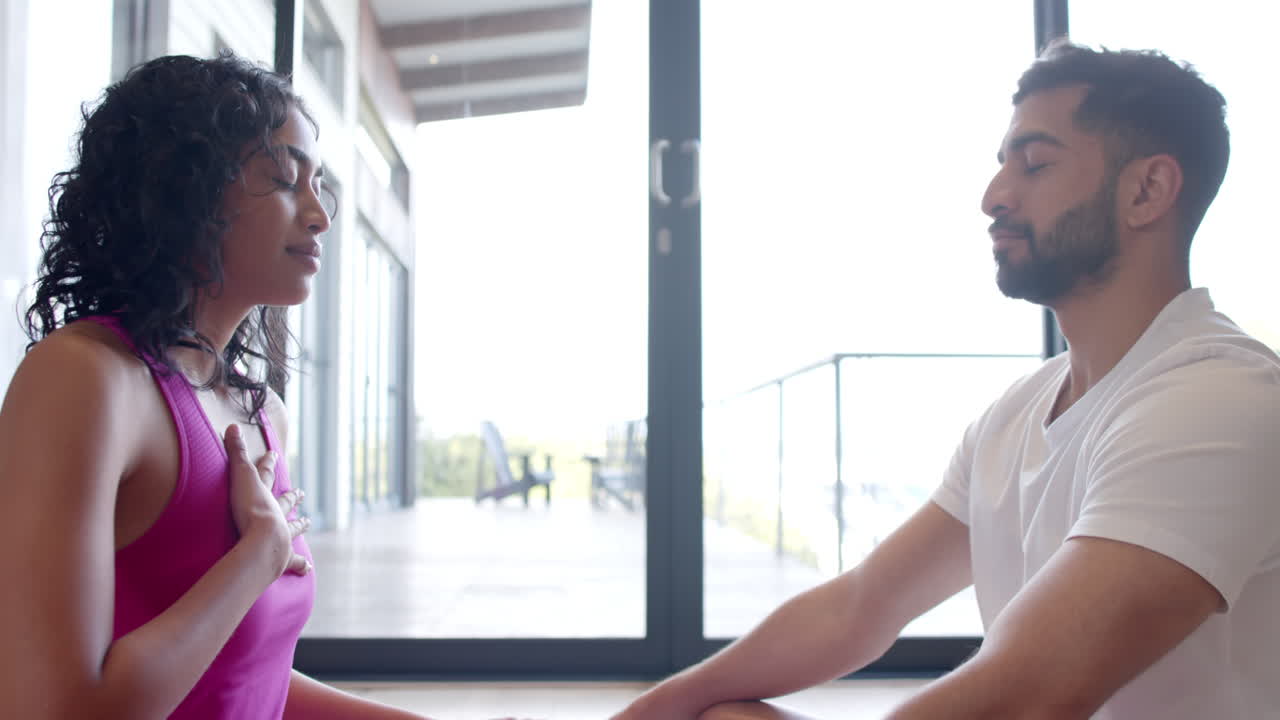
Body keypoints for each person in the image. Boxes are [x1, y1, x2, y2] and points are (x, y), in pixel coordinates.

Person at [614, 40, 1280, 720]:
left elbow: (1025, 696)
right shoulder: (1020, 412)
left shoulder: (1219, 401)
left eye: (1036, 164)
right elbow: (860, 606)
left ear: (1146, 190)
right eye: (1001, 167)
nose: (994, 196)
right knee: (716, 716)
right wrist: (658, 708)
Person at [0, 53, 448, 719]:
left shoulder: (264, 414)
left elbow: (245, 679)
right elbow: (56, 709)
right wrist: (256, 559)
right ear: (185, 191)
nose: (319, 215)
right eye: (282, 180)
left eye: (317, 185)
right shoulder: (86, 380)